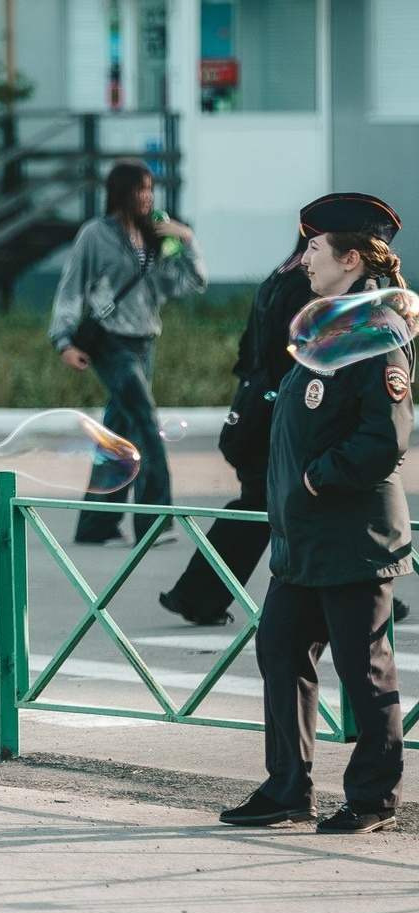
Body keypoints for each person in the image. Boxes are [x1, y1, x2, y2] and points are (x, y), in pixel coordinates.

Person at [221, 195, 413, 836]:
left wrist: (314, 478)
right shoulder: (327, 327)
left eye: (315, 247)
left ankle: (373, 797)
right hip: (302, 535)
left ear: (350, 259)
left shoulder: (377, 332)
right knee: (279, 651)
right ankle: (287, 789)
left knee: (364, 670)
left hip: (353, 534)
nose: (303, 258)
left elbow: (385, 438)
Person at [49, 159, 207, 545]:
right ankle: (155, 523)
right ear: (121, 192)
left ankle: (96, 526)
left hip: (144, 342)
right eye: (140, 188)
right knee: (146, 425)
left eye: (150, 188)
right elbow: (72, 288)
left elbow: (192, 284)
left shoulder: (156, 236)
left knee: (118, 434)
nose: (147, 196)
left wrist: (187, 240)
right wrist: (63, 340)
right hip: (110, 342)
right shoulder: (95, 234)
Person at [159, 238, 311, 626]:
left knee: (263, 503)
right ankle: (197, 595)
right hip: (279, 410)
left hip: (256, 403)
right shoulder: (307, 284)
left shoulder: (281, 275)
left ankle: (197, 595)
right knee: (274, 503)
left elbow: (248, 349)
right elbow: (292, 357)